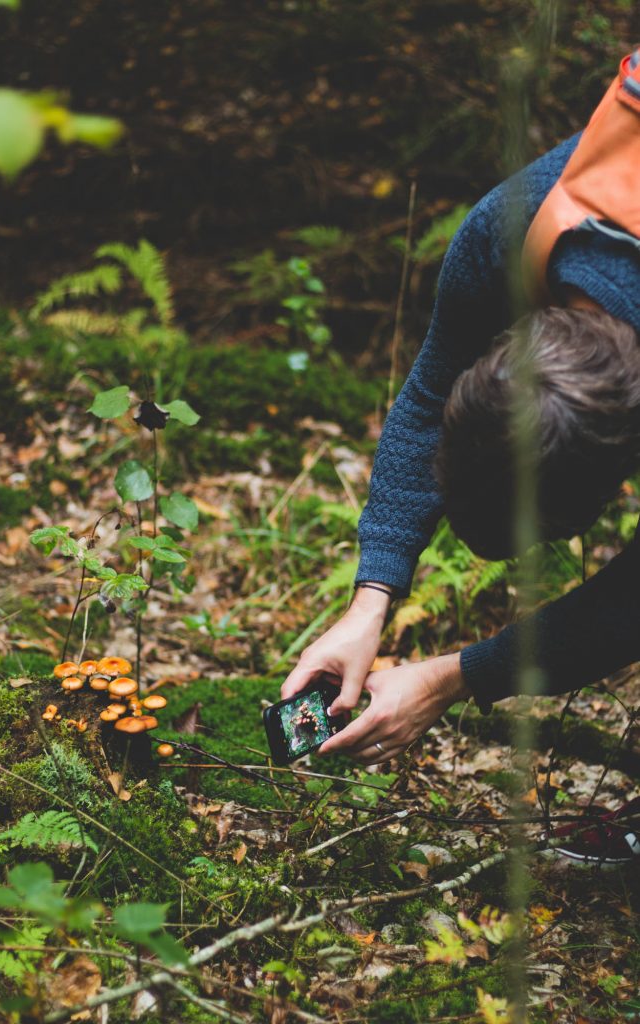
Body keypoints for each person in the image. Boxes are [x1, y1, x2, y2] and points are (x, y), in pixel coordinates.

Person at [281, 51, 640, 862]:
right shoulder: (514, 231)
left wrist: (452, 678)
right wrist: (372, 598)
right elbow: (424, 394)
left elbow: (634, 599)